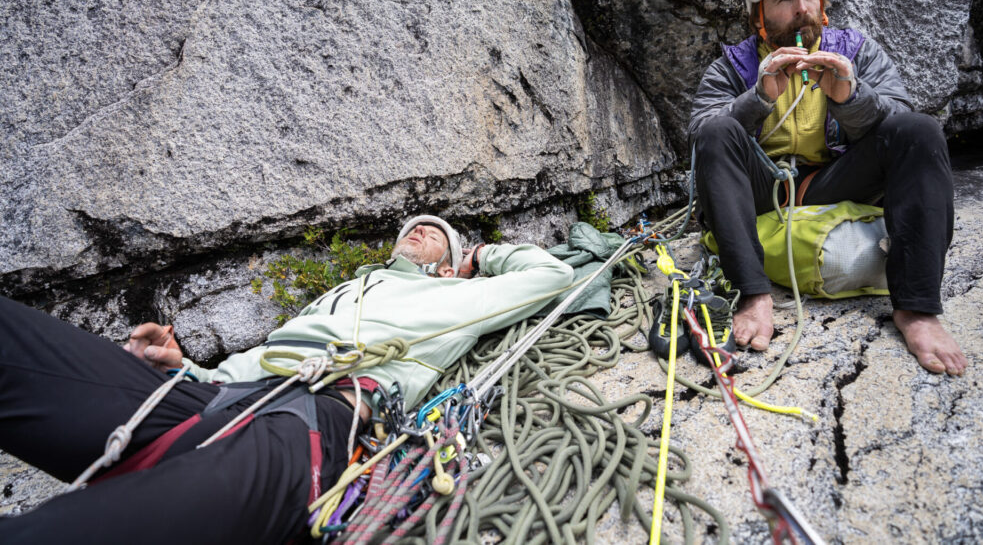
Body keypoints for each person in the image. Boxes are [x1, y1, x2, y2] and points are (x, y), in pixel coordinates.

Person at [0, 215, 573, 544]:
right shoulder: (346, 290)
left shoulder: (460, 295)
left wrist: (480, 255)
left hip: (323, 419)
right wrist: (185, 368)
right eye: (414, 225)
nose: (419, 225)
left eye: (434, 231)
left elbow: (550, 275)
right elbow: (261, 360)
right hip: (219, 396)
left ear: (448, 264)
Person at [688, 0, 967, 376]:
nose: (802, 9)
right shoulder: (732, 67)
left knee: (920, 130)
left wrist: (851, 98)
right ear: (758, 15)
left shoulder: (856, 52)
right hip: (765, 189)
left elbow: (901, 117)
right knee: (718, 128)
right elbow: (701, 136)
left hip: (835, 179)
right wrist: (758, 98)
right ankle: (754, 295)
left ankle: (917, 311)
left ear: (824, 1)